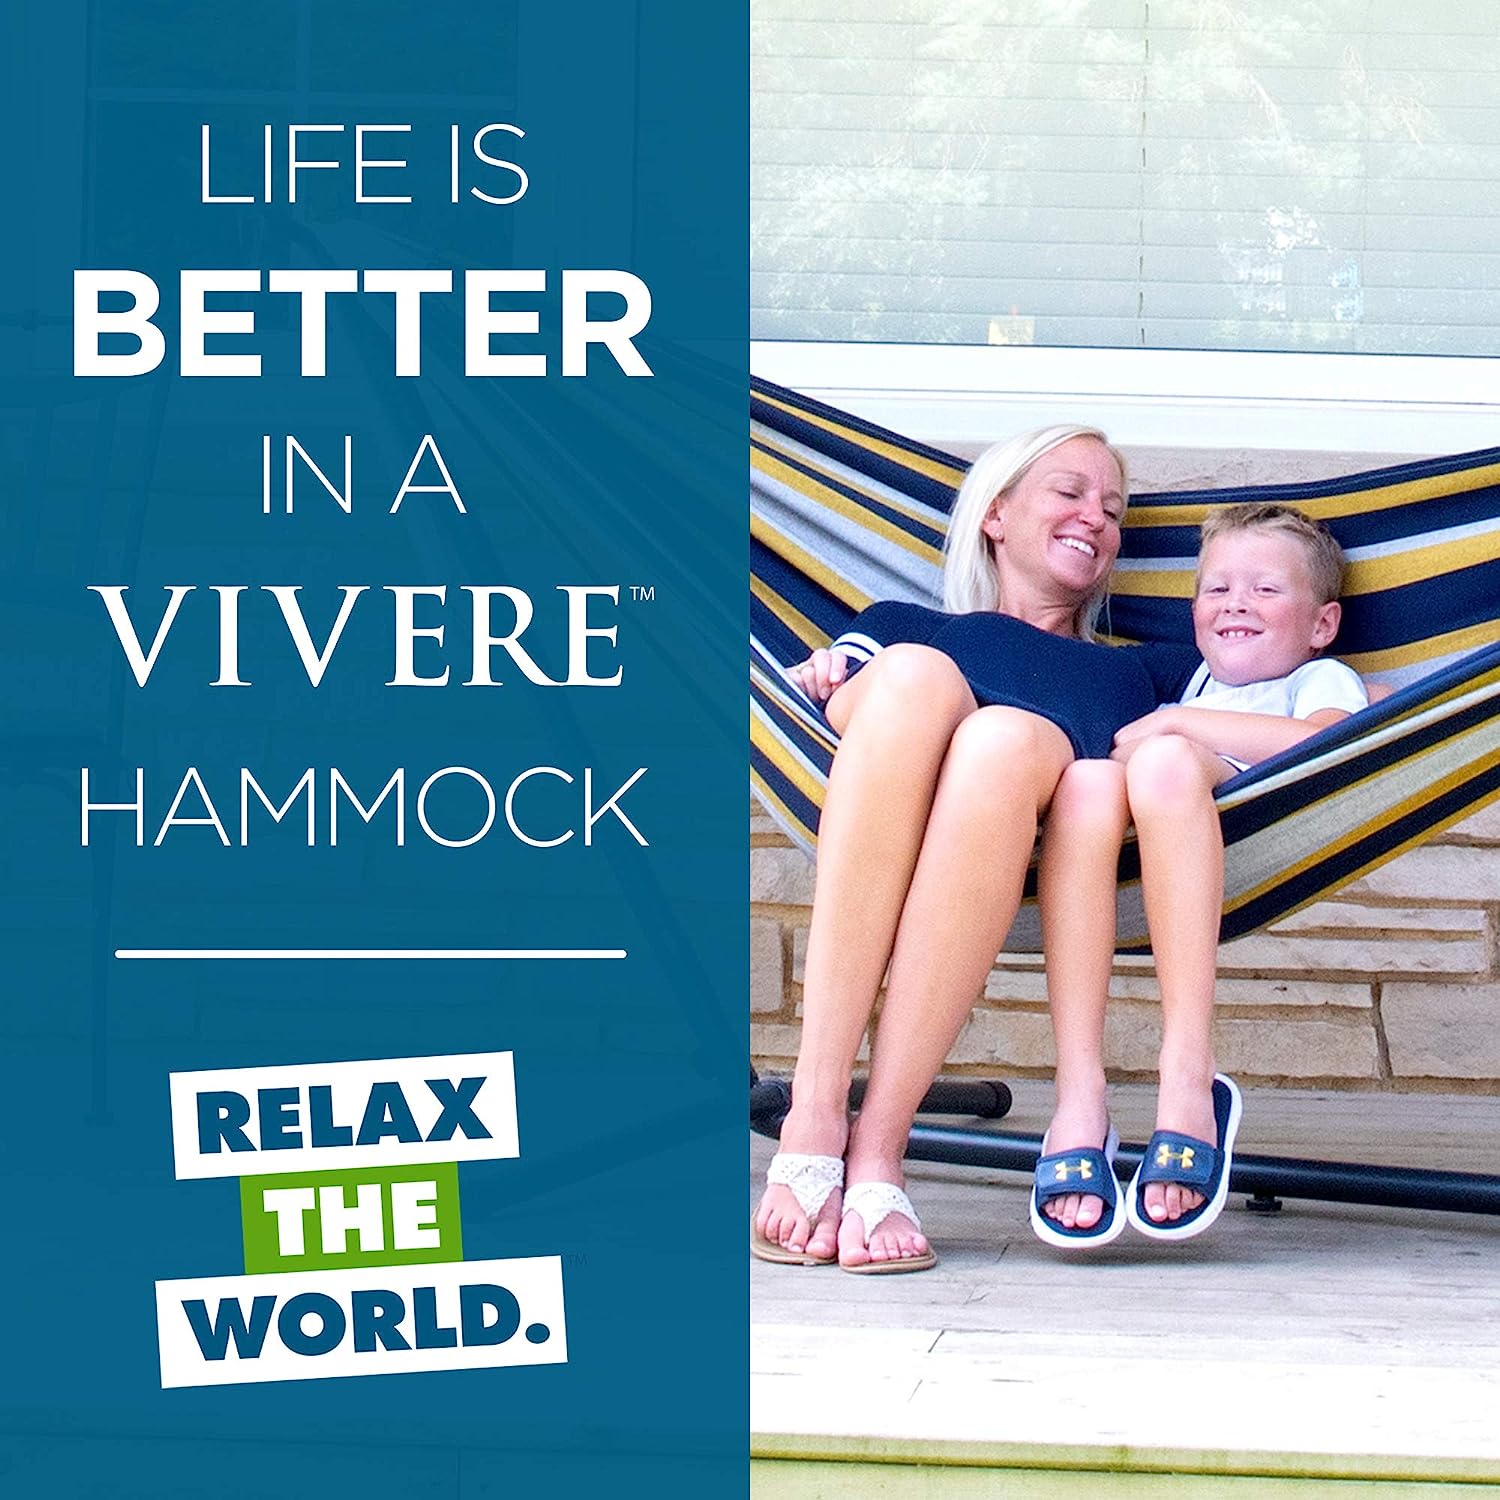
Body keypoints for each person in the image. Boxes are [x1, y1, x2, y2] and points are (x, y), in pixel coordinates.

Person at [752, 426, 1201, 1273]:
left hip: (1021, 810)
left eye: (1112, 511)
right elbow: (834, 694)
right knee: (919, 674)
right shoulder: (901, 625)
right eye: (1069, 492)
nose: (1096, 519)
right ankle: (815, 1109)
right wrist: (817, 674)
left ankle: (879, 1148)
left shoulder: (1147, 673)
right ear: (996, 515)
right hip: (894, 751)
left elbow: (1304, 701)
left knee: (1001, 738)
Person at [1032, 502, 1369, 1249]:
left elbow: (1327, 743)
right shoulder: (1190, 690)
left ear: (1322, 624)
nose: (1235, 603)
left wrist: (1175, 728)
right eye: (1216, 589)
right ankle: (1077, 1094)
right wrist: (1171, 724)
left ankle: (1187, 1073)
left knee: (1159, 759)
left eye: (1265, 589)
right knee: (1087, 781)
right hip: (1154, 851)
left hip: (1257, 830)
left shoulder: (1320, 677)